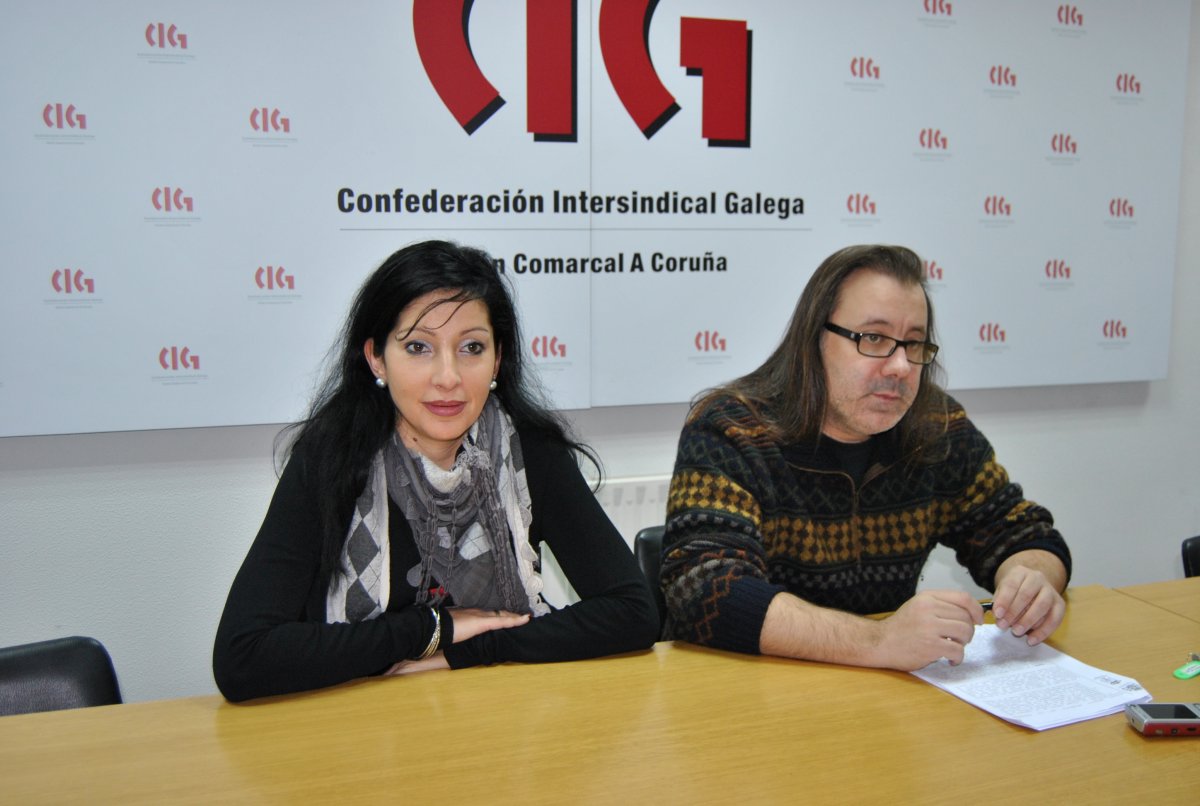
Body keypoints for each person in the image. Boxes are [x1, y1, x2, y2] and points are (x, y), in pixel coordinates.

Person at [214, 240, 658, 701]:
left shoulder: (529, 453)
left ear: (497, 359)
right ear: (376, 358)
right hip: (362, 726)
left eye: (471, 347)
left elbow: (634, 613)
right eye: (418, 347)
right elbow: (243, 658)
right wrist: (434, 629)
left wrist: (470, 649)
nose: (448, 377)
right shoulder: (331, 460)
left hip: (501, 717)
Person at [661, 244, 1071, 671]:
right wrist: (878, 640)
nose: (900, 367)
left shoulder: (936, 427)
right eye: (874, 338)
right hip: (750, 685)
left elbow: (1024, 534)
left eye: (914, 344)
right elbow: (704, 590)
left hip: (887, 690)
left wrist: (1031, 578)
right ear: (814, 340)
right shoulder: (732, 428)